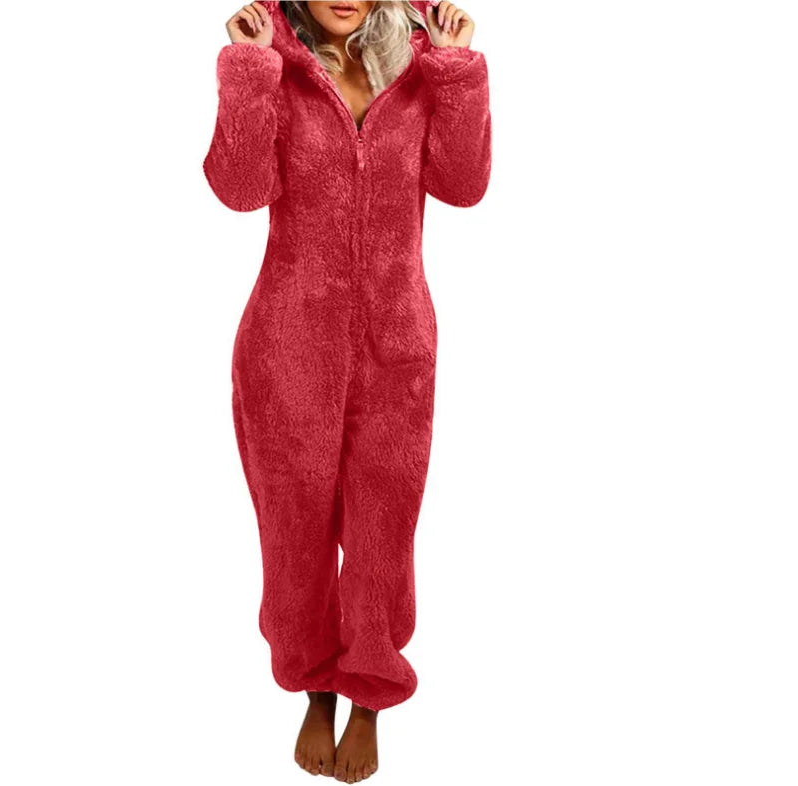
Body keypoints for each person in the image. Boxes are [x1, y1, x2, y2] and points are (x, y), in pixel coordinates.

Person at [202, 0, 491, 780]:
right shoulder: (278, 67)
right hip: (287, 344)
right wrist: (251, 71)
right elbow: (239, 189)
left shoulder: (421, 68)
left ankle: (367, 692)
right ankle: (313, 684)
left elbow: (463, 186)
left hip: (398, 348)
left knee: (381, 532)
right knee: (292, 532)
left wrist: (456, 72)